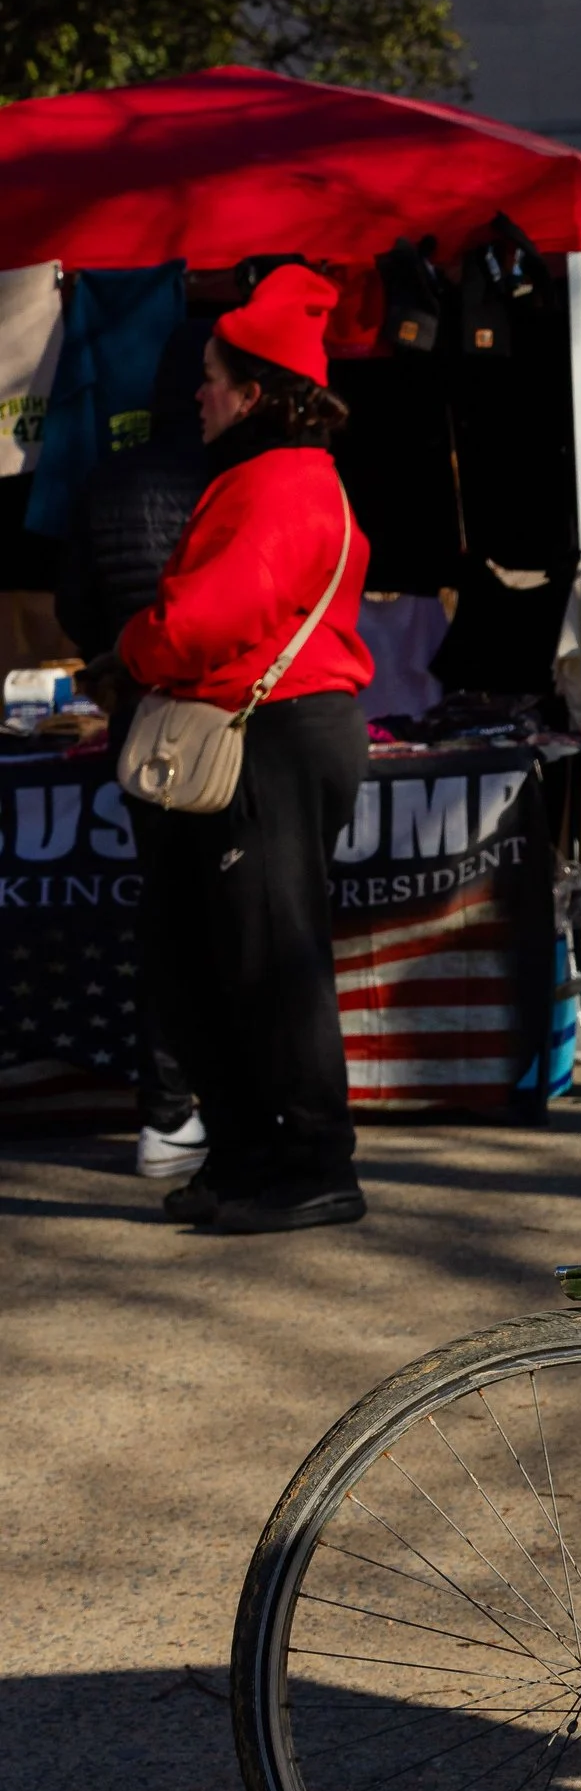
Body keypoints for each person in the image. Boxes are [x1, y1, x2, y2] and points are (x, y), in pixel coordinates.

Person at [121, 267, 374, 1236]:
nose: (198, 391)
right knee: (208, 957)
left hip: (266, 739)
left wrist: (135, 644)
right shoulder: (285, 477)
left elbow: (194, 626)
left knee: (269, 959)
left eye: (214, 376)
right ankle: (250, 1154)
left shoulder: (276, 482)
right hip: (269, 734)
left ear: (256, 391)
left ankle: (311, 1163)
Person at [54, 316, 214, 1182]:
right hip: (223, 723)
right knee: (228, 921)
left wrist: (119, 662)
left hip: (136, 722)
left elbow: (77, 603)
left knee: (168, 915)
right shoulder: (228, 479)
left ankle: (166, 1112)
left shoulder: (107, 477)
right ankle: (200, 1110)